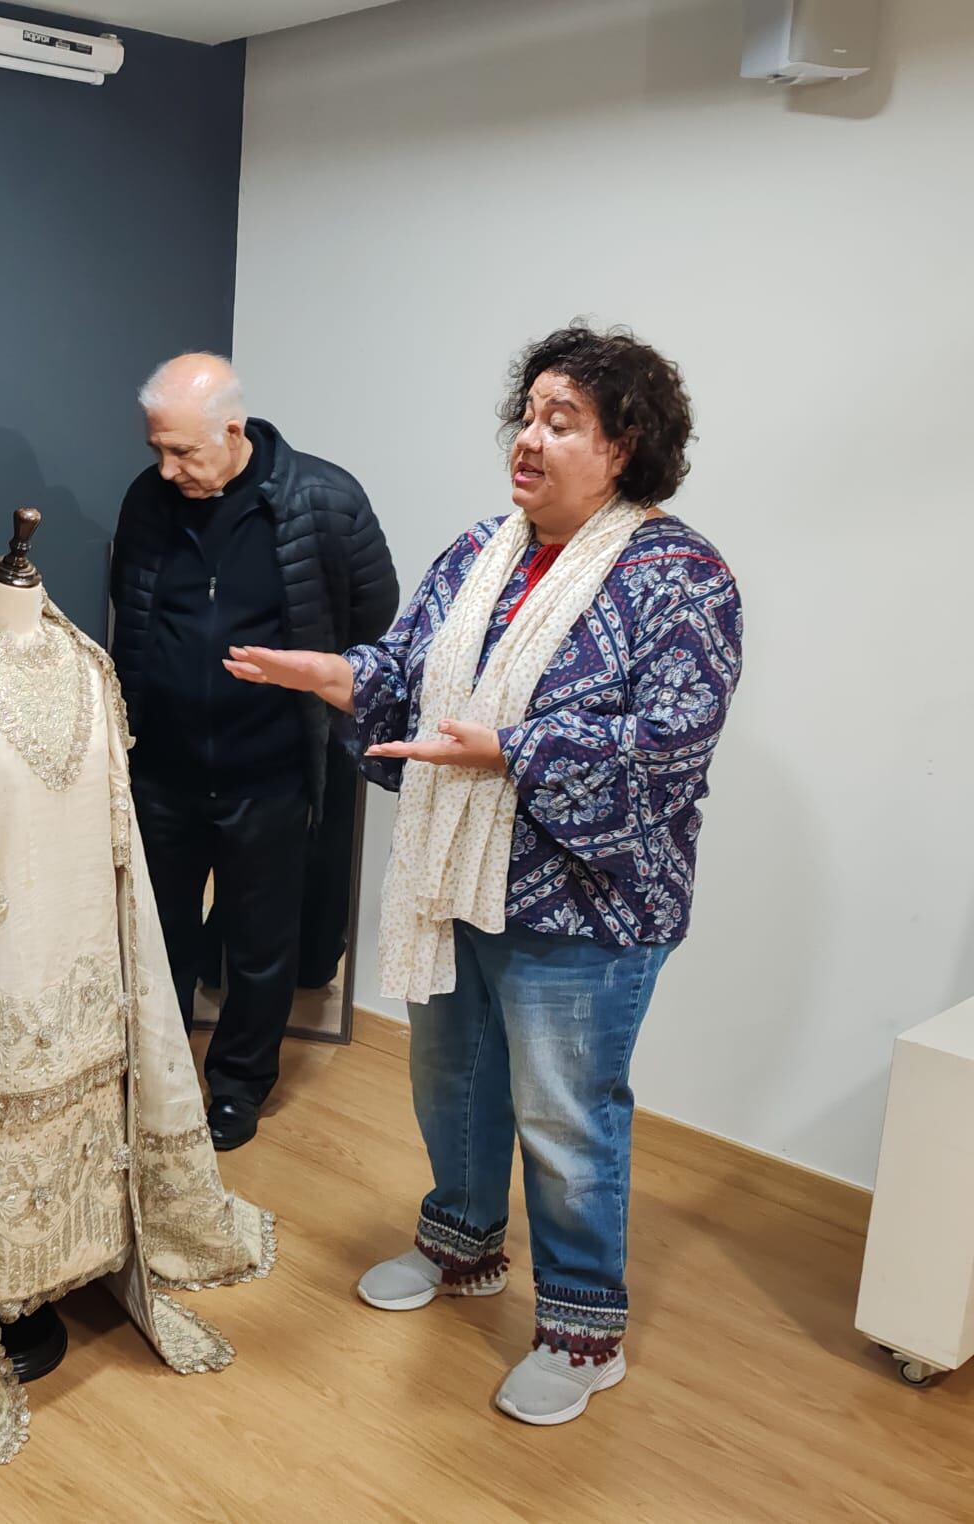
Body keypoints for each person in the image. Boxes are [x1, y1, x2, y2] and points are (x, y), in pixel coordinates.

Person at [226, 323, 743, 1426]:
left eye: (562, 421)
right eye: (527, 413)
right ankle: (463, 1249)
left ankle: (581, 1330)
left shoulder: (681, 578)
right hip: (456, 876)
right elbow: (410, 674)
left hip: (587, 903)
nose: (529, 436)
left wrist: (513, 750)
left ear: (624, 447)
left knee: (564, 1117)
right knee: (451, 1083)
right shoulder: (477, 551)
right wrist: (332, 673)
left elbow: (670, 747)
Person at [109, 353, 397, 1150]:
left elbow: (378, 626)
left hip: (269, 771)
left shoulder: (325, 502)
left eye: (183, 452)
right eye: (157, 450)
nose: (166, 470)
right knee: (154, 935)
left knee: (259, 944)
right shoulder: (149, 500)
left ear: (233, 431)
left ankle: (237, 1087)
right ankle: (154, 1081)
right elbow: (128, 616)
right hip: (162, 770)